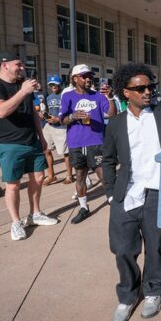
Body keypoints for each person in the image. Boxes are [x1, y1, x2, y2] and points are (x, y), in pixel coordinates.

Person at [103, 63, 161, 321]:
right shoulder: (116, 123)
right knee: (123, 250)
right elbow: (107, 160)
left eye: (149, 86)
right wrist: (109, 193)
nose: (147, 91)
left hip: (158, 191)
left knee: (157, 246)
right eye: (140, 88)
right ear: (125, 93)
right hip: (126, 193)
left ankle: (153, 290)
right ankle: (127, 295)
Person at [0, 52, 58, 241]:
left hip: (31, 140)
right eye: (18, 64)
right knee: (13, 185)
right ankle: (16, 222)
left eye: (23, 64)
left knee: (39, 177)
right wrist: (23, 91)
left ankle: (35, 214)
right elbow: (1, 111)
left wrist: (41, 136)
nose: (22, 68)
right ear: (5, 65)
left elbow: (33, 113)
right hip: (8, 143)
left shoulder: (23, 85)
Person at [59, 64, 110, 224]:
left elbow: (112, 113)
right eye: (84, 76)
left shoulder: (98, 96)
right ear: (75, 79)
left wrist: (109, 97)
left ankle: (114, 204)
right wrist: (73, 116)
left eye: (90, 76)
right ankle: (83, 208)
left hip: (97, 142)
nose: (89, 79)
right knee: (80, 176)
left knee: (105, 176)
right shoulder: (68, 96)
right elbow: (62, 119)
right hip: (76, 143)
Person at [41, 74, 74, 185]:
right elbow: (47, 111)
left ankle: (69, 175)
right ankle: (51, 176)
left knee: (65, 152)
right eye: (51, 84)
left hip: (61, 126)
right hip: (49, 125)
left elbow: (70, 112)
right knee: (46, 150)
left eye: (55, 84)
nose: (53, 86)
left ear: (60, 84)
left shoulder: (64, 95)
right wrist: (44, 115)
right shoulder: (48, 97)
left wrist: (59, 119)